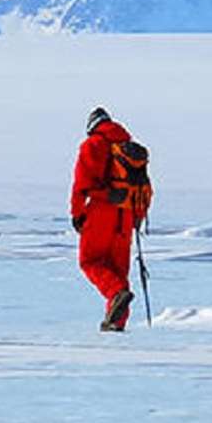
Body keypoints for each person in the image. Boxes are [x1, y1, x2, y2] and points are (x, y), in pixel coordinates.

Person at [71, 107, 141, 332]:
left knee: (90, 261)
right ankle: (115, 323)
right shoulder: (129, 148)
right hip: (127, 214)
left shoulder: (93, 145)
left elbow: (81, 185)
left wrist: (78, 214)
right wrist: (137, 217)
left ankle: (115, 295)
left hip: (102, 210)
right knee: (117, 269)